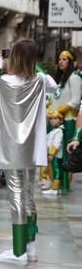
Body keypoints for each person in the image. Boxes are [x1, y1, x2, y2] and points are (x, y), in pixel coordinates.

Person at [0, 40, 57, 267]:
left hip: (12, 148)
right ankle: (30, 246)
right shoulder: (40, 80)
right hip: (33, 148)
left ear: (12, 57)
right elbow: (54, 85)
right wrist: (37, 67)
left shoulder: (3, 81)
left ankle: (18, 252)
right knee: (28, 195)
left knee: (16, 195)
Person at [49, 49, 81, 193]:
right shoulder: (59, 78)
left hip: (68, 120)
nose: (60, 62)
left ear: (71, 62)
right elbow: (55, 97)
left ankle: (64, 185)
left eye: (64, 59)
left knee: (66, 154)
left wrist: (60, 110)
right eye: (59, 59)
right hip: (56, 120)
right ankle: (55, 181)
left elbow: (75, 101)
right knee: (55, 153)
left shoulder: (74, 77)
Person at [41, 111, 64, 196]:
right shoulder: (53, 131)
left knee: (56, 171)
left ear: (61, 120)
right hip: (51, 156)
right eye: (51, 118)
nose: (52, 120)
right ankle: (54, 187)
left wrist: (51, 154)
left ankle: (55, 189)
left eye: (55, 118)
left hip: (56, 156)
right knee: (52, 172)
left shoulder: (59, 131)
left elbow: (56, 143)